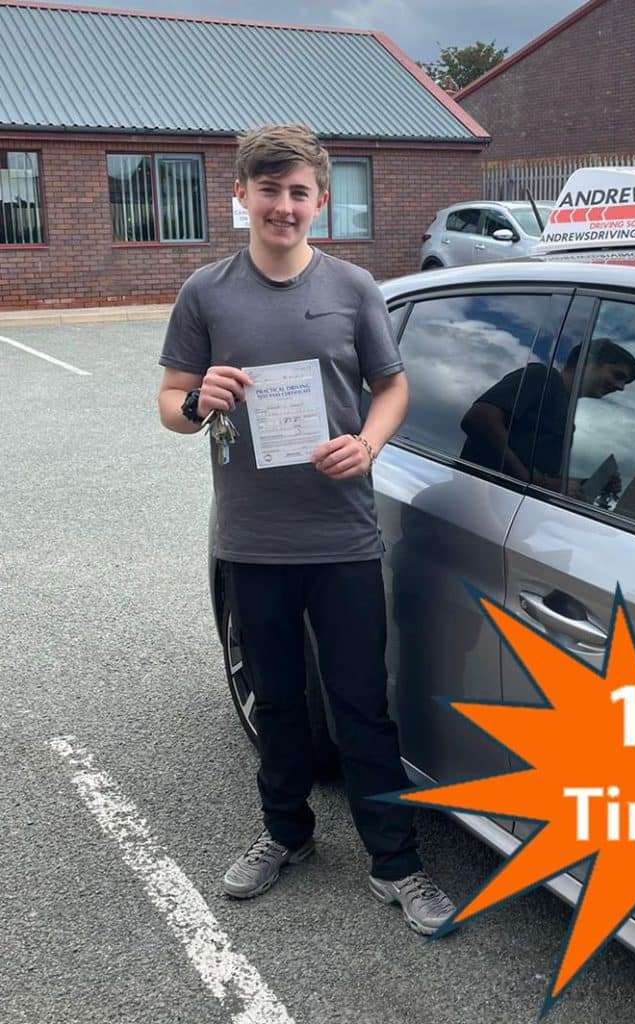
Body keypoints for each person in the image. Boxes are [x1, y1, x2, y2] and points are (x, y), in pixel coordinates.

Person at [155, 123, 454, 935]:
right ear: (241, 196)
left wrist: (368, 444)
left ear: (321, 201)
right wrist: (198, 400)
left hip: (342, 539)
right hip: (252, 541)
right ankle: (286, 833)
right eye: (269, 190)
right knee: (279, 701)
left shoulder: (354, 288)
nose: (283, 206)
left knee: (362, 706)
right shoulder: (206, 293)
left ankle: (395, 862)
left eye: (298, 192)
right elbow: (171, 403)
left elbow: (392, 389)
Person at [460, 338, 635, 495]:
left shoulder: (566, 413)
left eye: (624, 382)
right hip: (477, 500)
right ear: (587, 361)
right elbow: (479, 418)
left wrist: (586, 484)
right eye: (617, 375)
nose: (620, 387)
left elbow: (539, 472)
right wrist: (534, 482)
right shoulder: (542, 377)